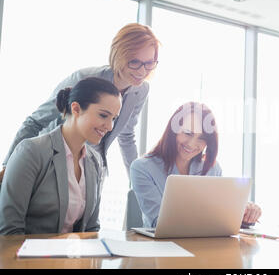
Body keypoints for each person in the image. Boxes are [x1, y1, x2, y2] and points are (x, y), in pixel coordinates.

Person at [0, 23, 160, 181]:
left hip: (92, 167)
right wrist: (9, 167)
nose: (142, 71)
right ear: (119, 56)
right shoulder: (84, 79)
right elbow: (35, 122)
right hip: (53, 161)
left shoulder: (141, 90)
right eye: (135, 62)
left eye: (149, 63)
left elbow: (126, 134)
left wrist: (137, 181)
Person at [0, 77, 122, 234]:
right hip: (29, 256)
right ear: (76, 109)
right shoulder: (31, 152)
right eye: (104, 116)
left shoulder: (95, 161)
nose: (110, 126)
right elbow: (9, 231)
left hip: (73, 256)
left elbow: (91, 229)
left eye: (113, 118)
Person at [130, 102, 261, 228]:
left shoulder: (212, 169)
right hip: (161, 247)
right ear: (173, 131)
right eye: (187, 133)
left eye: (202, 138)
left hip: (205, 245)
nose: (192, 144)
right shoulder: (142, 168)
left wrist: (243, 212)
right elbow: (158, 222)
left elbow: (222, 214)